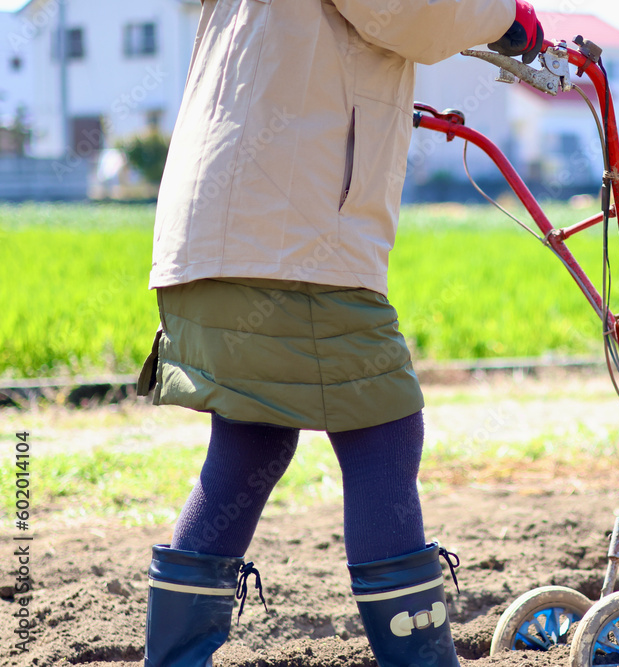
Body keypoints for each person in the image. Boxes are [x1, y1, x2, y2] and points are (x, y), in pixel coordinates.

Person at [136, 0, 543, 665]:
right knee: (385, 430)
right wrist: (506, 16)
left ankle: (175, 659)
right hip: (290, 234)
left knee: (251, 438)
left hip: (210, 228)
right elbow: (411, 10)